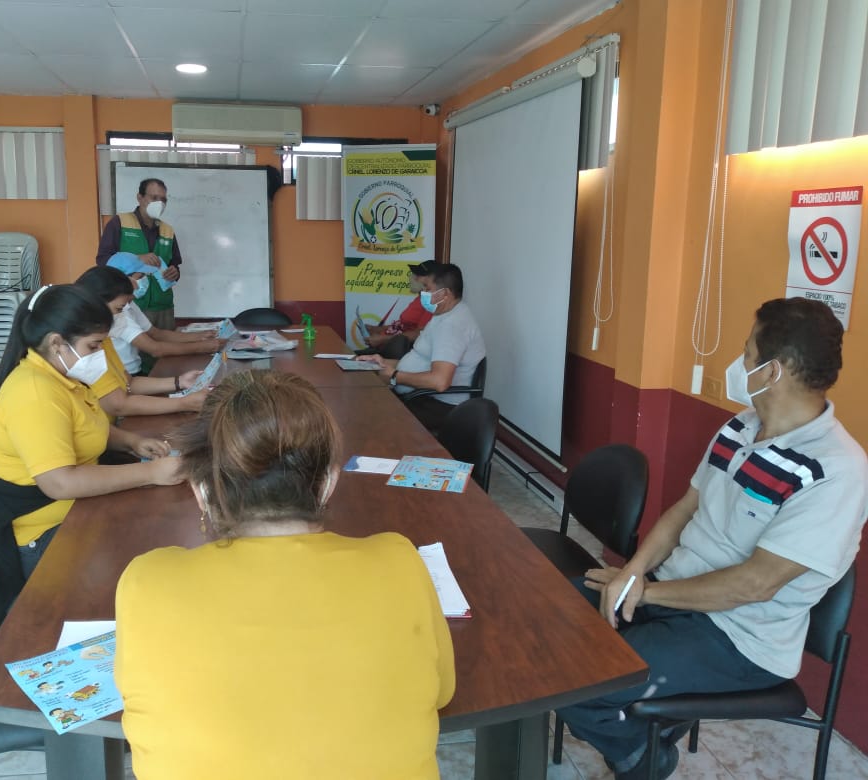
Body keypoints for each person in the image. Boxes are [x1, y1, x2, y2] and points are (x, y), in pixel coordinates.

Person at [558, 298, 868, 780]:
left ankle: (641, 760)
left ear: (773, 371)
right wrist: (634, 573)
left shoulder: (836, 470)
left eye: (747, 353)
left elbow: (755, 584)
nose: (739, 363)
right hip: (671, 592)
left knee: (582, 680)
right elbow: (685, 509)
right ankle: (644, 735)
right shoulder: (740, 427)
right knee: (548, 625)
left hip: (738, 637)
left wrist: (644, 592)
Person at [115, 370, 455, 779]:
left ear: (201, 492)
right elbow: (442, 691)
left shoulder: (146, 580)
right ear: (327, 483)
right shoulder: (400, 561)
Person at [0, 284, 183, 634]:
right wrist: (151, 473)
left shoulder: (62, 376)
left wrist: (132, 441)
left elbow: (87, 426)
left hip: (73, 511)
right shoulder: (35, 391)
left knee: (153, 529)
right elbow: (60, 482)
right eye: (94, 346)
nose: (100, 355)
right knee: (142, 559)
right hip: (43, 533)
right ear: (57, 343)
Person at [359, 263, 485, 433]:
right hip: (421, 396)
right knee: (366, 404)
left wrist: (395, 376)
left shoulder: (452, 326)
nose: (422, 292)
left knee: (371, 418)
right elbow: (421, 360)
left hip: (438, 405)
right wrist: (382, 362)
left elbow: (439, 382)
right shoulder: (442, 315)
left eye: (427, 288)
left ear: (445, 294)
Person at [75, 266, 207, 421]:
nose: (121, 315)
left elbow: (129, 383)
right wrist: (183, 403)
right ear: (94, 303)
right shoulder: (86, 347)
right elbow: (118, 405)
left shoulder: (104, 340)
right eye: (119, 309)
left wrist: (180, 382)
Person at [105, 252, 222, 374]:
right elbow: (155, 349)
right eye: (140, 276)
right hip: (124, 374)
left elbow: (156, 333)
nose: (144, 280)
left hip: (132, 371)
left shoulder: (130, 305)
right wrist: (201, 347)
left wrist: (201, 336)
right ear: (123, 279)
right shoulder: (118, 312)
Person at [96, 177, 182, 330]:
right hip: (129, 304)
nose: (160, 203)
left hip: (163, 307)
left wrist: (174, 272)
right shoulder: (119, 223)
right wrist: (136, 259)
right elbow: (103, 260)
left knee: (167, 343)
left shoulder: (168, 230)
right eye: (154, 198)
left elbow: (174, 264)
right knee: (136, 345)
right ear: (140, 197)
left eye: (163, 200)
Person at [357, 260, 436, 360]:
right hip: (385, 348)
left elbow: (420, 333)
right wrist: (377, 329)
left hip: (394, 353)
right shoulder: (420, 299)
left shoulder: (430, 302)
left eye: (417, 275)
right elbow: (403, 325)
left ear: (431, 280)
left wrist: (384, 339)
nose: (412, 278)